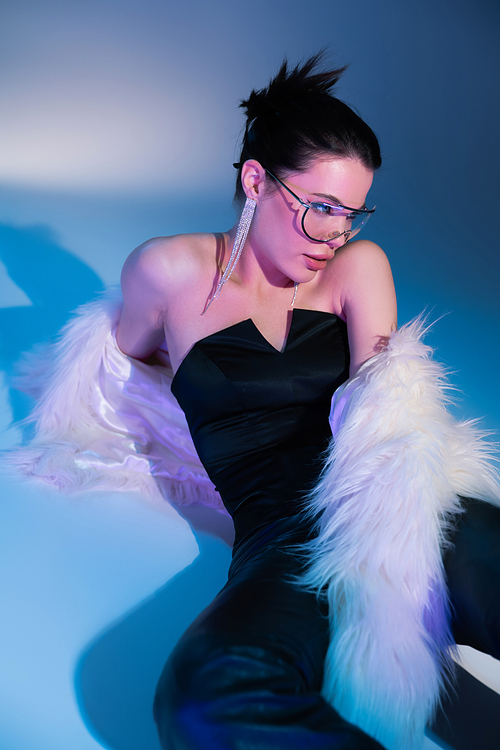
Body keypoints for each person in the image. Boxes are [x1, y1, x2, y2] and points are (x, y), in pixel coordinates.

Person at [5, 55, 500, 750]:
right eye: (321, 208)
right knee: (206, 695)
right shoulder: (167, 272)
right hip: (284, 543)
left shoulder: (361, 269)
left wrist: (397, 527)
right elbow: (122, 369)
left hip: (411, 513)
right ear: (255, 179)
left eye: (352, 215)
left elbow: (387, 421)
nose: (336, 233)